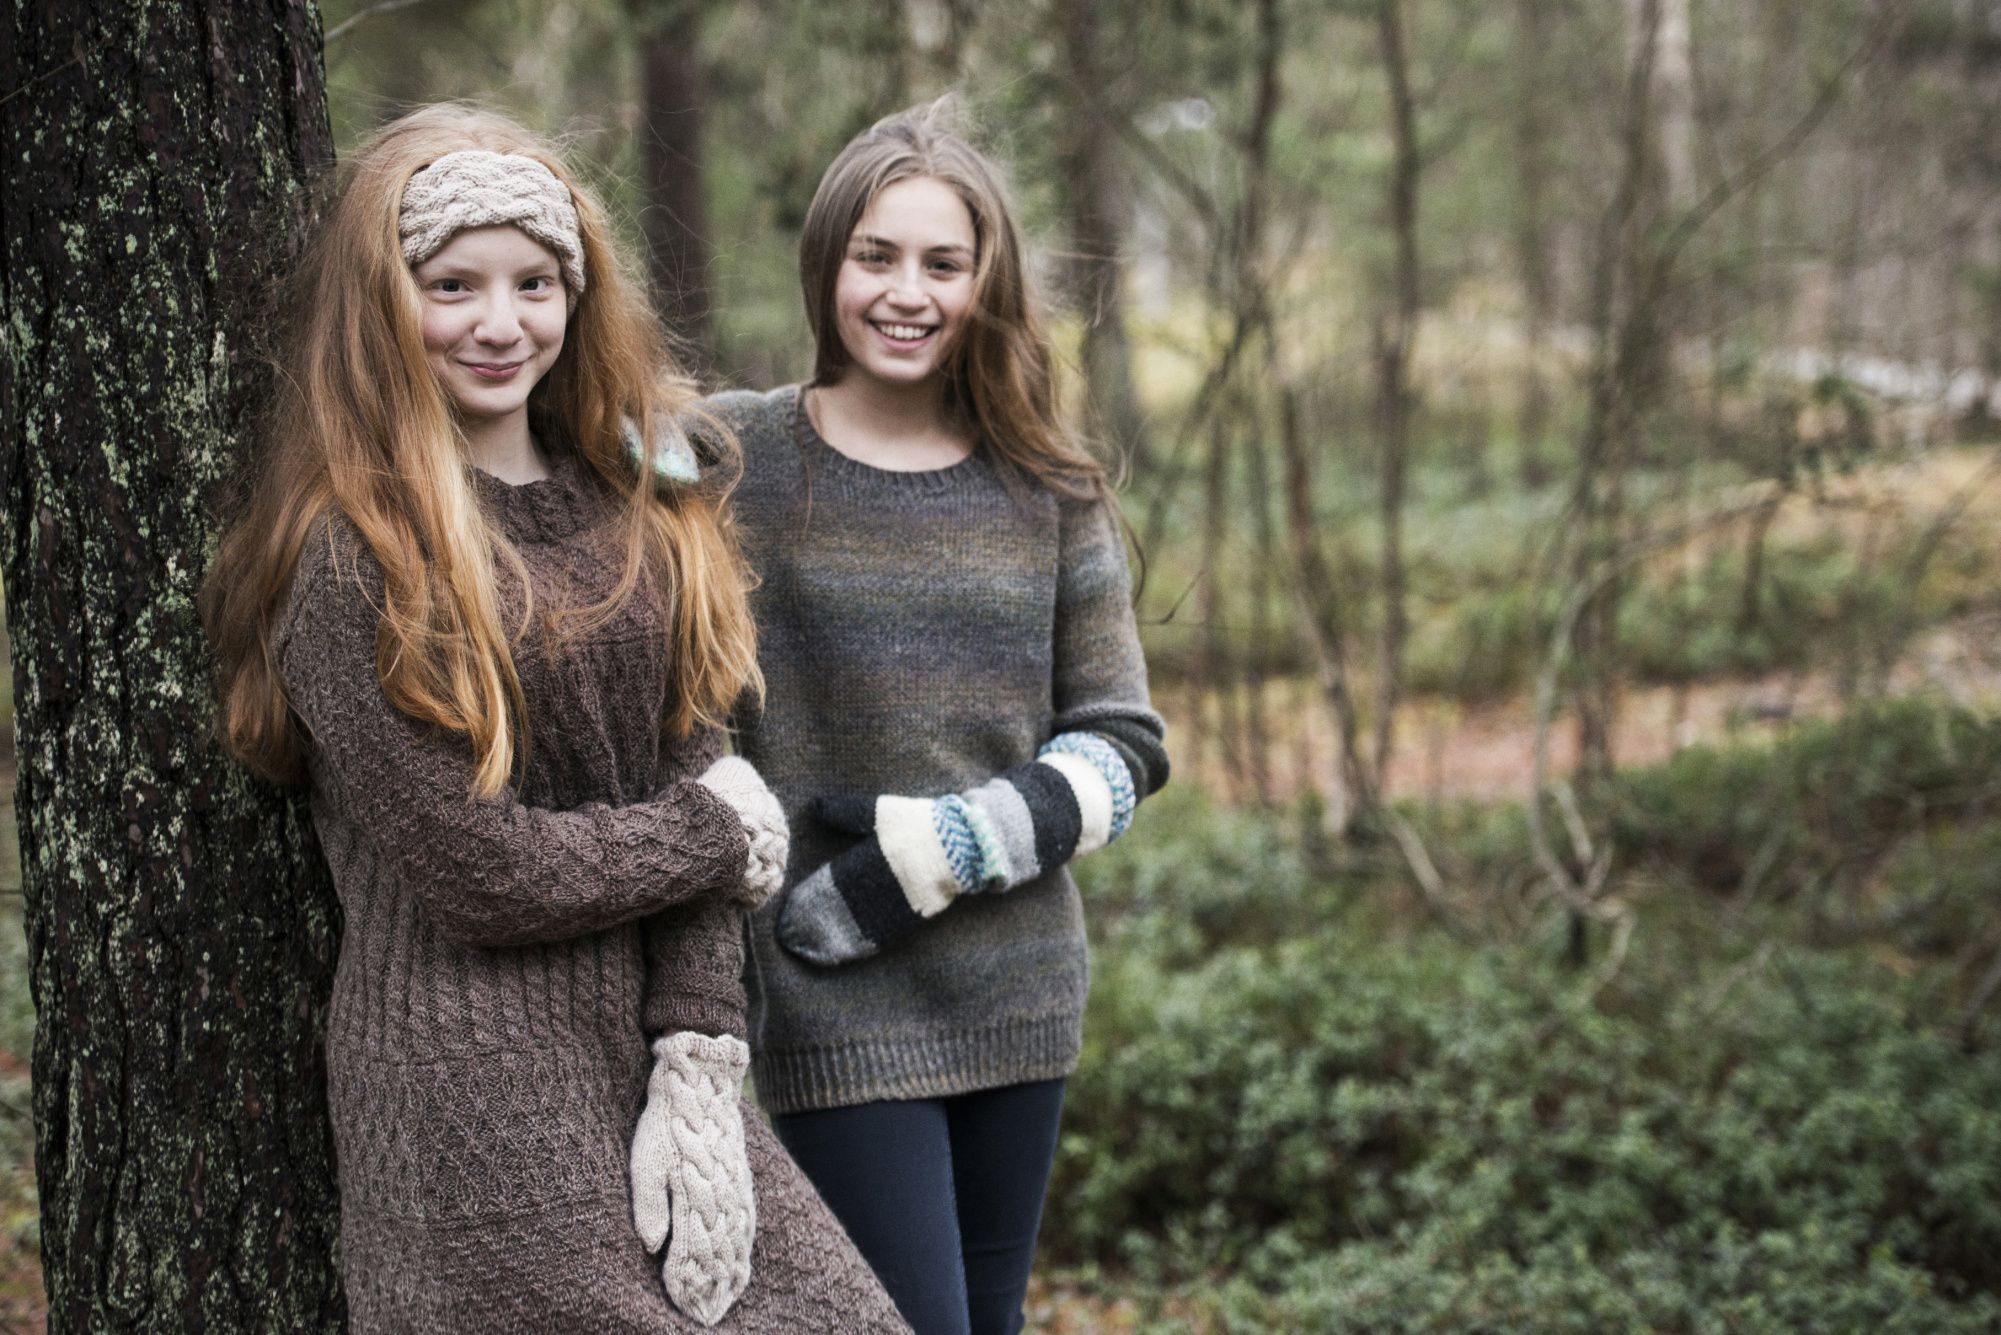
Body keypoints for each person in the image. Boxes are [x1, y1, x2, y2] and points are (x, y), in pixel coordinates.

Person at [200, 104, 907, 1334]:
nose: (499, 322)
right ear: (383, 305)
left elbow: (697, 761)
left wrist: (697, 1047)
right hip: (471, 1079)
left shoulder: (640, 503)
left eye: (536, 282)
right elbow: (479, 871)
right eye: (452, 285)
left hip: (660, 1052)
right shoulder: (358, 554)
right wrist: (713, 831)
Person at [705, 101, 1170, 1335]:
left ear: (985, 284)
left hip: (1019, 991)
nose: (905, 292)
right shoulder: (736, 460)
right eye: (876, 256)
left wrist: (929, 858)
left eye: (941, 263)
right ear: (828, 266)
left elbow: (1125, 745)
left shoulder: (1048, 489)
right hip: (822, 989)